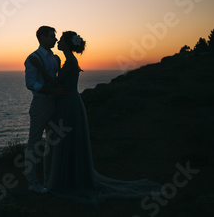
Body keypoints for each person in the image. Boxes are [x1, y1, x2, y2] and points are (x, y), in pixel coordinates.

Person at [43, 31, 162, 205]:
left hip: (68, 104)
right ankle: (70, 174)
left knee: (64, 139)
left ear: (68, 45)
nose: (58, 42)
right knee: (67, 139)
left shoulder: (69, 62)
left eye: (61, 40)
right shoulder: (71, 61)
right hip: (70, 102)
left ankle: (66, 179)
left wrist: (41, 69)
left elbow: (56, 82)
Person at [24, 26, 67, 194]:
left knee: (55, 140)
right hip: (41, 104)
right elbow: (30, 83)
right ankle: (32, 182)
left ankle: (52, 176)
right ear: (42, 37)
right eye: (52, 36)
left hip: (54, 103)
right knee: (34, 143)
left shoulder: (54, 58)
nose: (55, 39)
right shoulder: (32, 58)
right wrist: (52, 91)